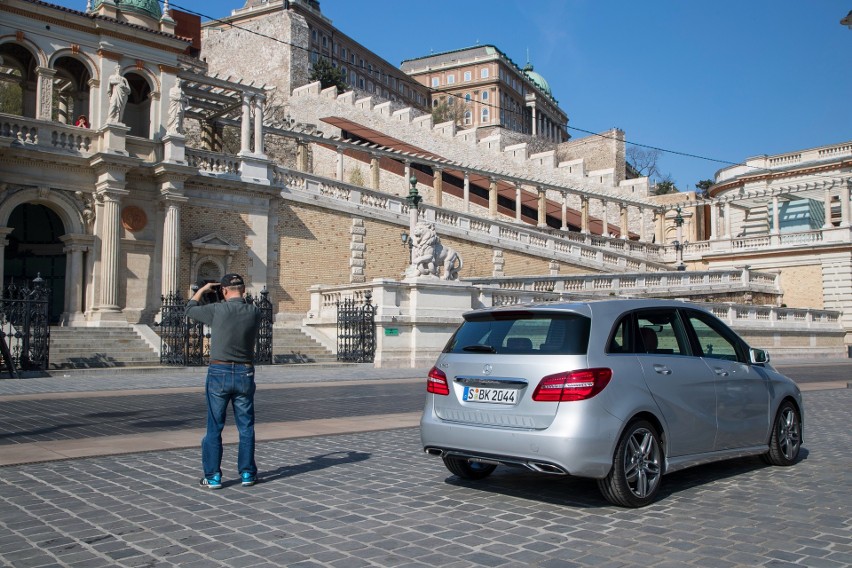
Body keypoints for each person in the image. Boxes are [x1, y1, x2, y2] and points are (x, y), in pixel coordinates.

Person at [186, 274, 262, 489]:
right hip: (244, 372)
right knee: (246, 426)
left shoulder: (217, 310)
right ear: (244, 290)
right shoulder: (254, 312)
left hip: (219, 371)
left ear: (224, 291)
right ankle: (247, 473)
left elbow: (189, 309)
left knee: (214, 427)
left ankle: (213, 476)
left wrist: (203, 290)